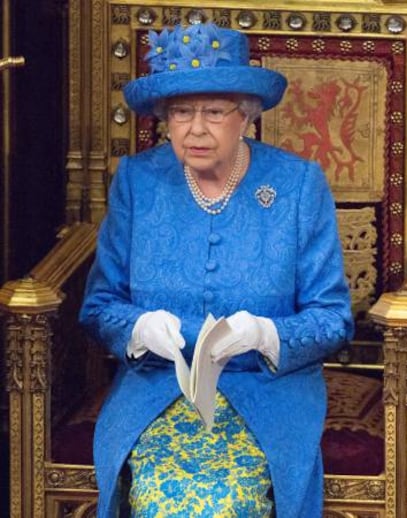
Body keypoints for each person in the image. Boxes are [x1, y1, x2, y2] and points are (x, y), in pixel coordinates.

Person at [79, 22, 354, 518]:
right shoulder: (138, 182)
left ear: (246, 115)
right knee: (160, 501)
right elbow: (100, 306)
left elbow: (333, 318)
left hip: (268, 393)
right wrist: (138, 328)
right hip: (156, 391)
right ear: (164, 117)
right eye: (181, 112)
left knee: (226, 503)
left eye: (213, 111)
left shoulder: (297, 185)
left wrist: (265, 333)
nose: (196, 129)